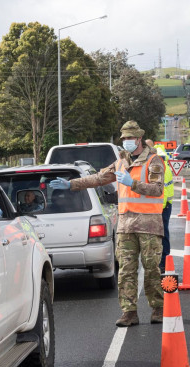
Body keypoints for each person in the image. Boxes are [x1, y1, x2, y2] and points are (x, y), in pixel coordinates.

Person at [51, 121, 165, 327]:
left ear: (139, 139)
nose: (127, 142)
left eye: (131, 138)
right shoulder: (120, 162)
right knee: (126, 270)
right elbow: (98, 178)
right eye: (125, 139)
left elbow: (157, 190)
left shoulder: (154, 161)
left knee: (151, 269)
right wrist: (71, 184)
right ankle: (129, 312)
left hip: (149, 224)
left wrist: (134, 184)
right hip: (125, 225)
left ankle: (158, 308)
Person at [147, 139, 174, 273]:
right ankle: (163, 263)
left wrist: (158, 207)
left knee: (160, 236)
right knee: (162, 235)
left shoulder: (157, 161)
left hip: (160, 206)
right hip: (163, 205)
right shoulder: (162, 158)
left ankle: (163, 263)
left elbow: (160, 187)